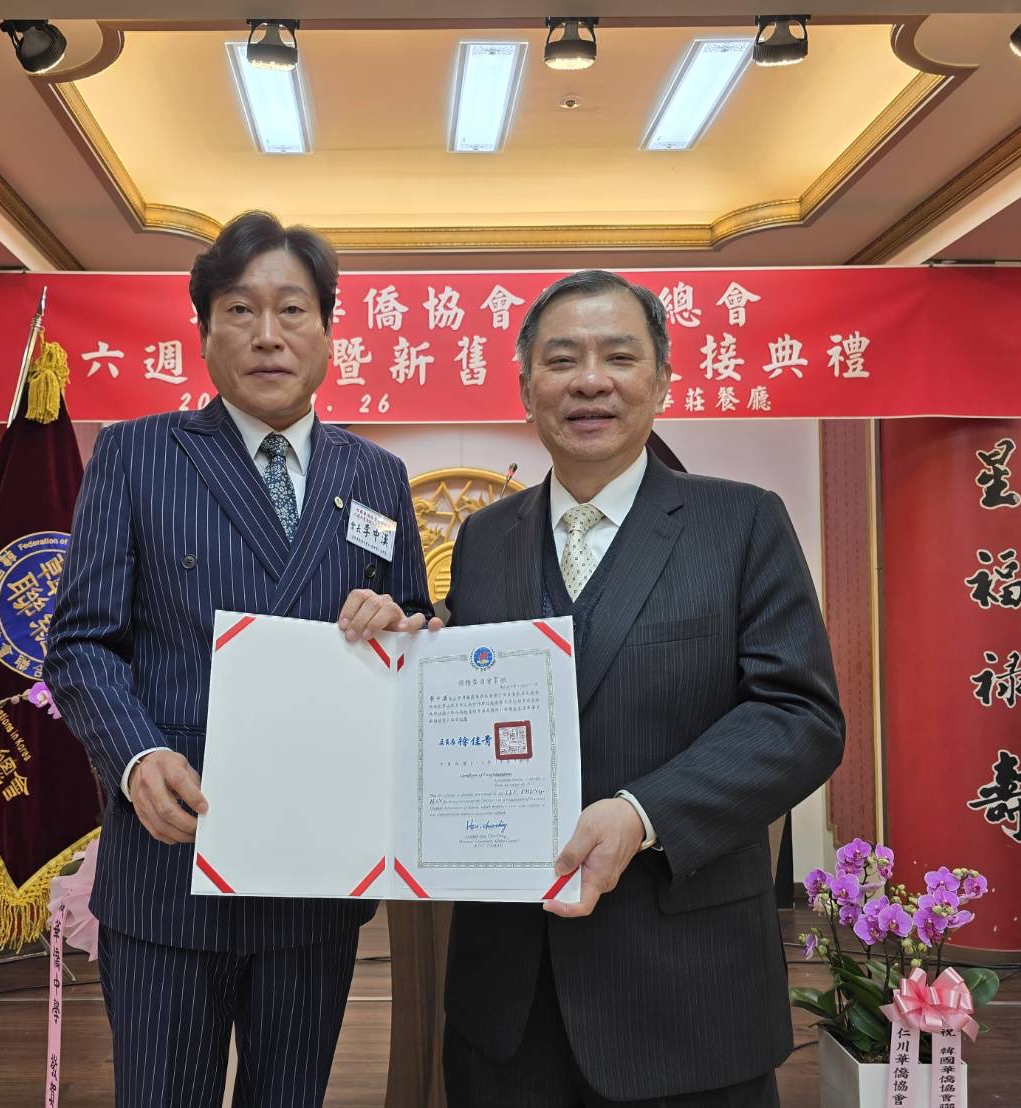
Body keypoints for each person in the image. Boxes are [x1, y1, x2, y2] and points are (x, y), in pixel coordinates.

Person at [44, 210, 436, 1108]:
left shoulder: (375, 475)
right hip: (171, 859)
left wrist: (401, 622)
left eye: (292, 309)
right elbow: (80, 640)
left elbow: (416, 624)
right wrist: (134, 757)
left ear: (327, 331)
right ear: (204, 332)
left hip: (318, 868)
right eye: (239, 309)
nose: (267, 334)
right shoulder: (138, 453)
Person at [441, 270, 844, 1107]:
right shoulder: (482, 539)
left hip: (687, 991)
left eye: (618, 357)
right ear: (525, 386)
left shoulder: (741, 522)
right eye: (561, 360)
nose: (589, 380)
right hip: (507, 999)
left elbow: (798, 717)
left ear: (661, 382)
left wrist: (640, 812)